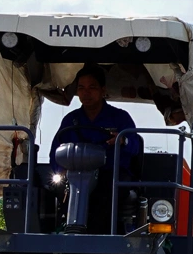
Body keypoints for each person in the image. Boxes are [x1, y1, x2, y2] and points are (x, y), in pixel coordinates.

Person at [51, 66, 140, 233]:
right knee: (53, 186)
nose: (86, 93)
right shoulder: (70, 120)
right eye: (81, 88)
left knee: (107, 193)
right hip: (75, 176)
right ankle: (64, 232)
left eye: (92, 87)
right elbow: (56, 153)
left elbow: (135, 146)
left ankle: (102, 238)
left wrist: (123, 141)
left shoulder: (120, 118)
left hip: (112, 176)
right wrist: (60, 172)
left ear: (103, 90)